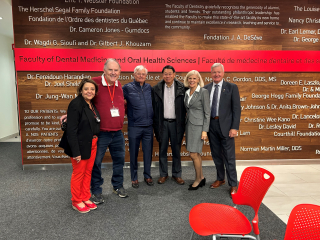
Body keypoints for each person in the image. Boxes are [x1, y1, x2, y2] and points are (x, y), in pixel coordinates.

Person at [60, 58, 127, 203]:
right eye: (110, 70)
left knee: (119, 161)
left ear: (120, 72)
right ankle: (96, 190)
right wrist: (70, 114)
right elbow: (83, 99)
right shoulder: (95, 82)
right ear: (104, 70)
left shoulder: (119, 84)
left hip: (117, 132)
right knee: (95, 163)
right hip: (100, 133)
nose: (113, 73)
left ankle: (118, 186)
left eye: (116, 70)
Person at [59, 78, 100, 213]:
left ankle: (85, 197)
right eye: (86, 89)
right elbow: (71, 130)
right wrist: (76, 152)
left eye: (92, 89)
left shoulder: (91, 104)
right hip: (80, 146)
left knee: (88, 172)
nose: (89, 91)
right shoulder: (76, 104)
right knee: (79, 173)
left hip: (92, 143)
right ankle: (76, 200)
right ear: (81, 90)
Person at [203, 63, 241, 196]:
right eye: (214, 72)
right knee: (216, 155)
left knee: (229, 157)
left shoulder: (231, 87)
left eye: (218, 72)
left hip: (226, 127)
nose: (216, 74)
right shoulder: (206, 88)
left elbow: (236, 109)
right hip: (212, 126)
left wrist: (234, 127)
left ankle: (233, 184)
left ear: (223, 73)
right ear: (211, 73)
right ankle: (220, 178)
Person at [152, 65, 186, 185]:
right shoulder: (156, 88)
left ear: (174, 74)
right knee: (162, 150)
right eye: (165, 74)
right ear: (162, 75)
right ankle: (163, 174)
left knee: (176, 149)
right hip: (163, 123)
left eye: (170, 74)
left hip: (177, 123)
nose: (168, 76)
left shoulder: (182, 87)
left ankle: (177, 174)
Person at [123, 65, 154, 188]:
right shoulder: (127, 88)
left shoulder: (148, 88)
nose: (141, 76)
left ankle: (147, 175)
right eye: (138, 74)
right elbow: (115, 99)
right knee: (134, 154)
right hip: (134, 126)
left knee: (148, 153)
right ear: (134, 75)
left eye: (143, 74)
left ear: (146, 76)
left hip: (148, 127)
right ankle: (134, 178)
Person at [183, 70, 210, 190]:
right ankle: (202, 177)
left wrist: (205, 130)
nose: (192, 80)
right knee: (196, 154)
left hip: (199, 127)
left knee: (193, 154)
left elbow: (207, 113)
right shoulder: (187, 92)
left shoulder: (203, 92)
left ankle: (198, 179)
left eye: (194, 78)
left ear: (198, 80)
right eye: (190, 78)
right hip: (189, 126)